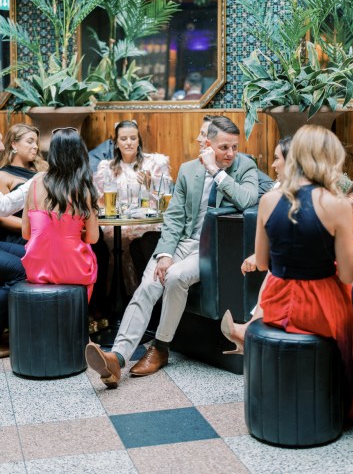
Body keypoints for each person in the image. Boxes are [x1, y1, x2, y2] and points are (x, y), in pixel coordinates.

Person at [86, 116, 259, 387]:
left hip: (215, 248)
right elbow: (175, 218)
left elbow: (248, 199)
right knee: (149, 283)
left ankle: (161, 348)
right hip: (185, 243)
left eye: (234, 147)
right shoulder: (189, 170)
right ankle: (116, 359)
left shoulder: (244, 166)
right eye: (224, 147)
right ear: (208, 144)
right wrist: (165, 253)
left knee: (176, 277)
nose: (230, 153)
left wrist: (217, 171)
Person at [256, 125, 353, 410]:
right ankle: (349, 393)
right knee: (350, 304)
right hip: (320, 306)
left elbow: (262, 263)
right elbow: (347, 274)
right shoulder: (337, 205)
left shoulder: (268, 200)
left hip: (275, 301)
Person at [221, 135, 292, 354]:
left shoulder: (300, 194)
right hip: (284, 252)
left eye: (277, 158)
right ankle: (251, 328)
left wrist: (261, 255)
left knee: (277, 266)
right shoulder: (278, 187)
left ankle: (250, 330)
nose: (272, 164)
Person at [93, 120, 171, 295]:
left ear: (139, 141)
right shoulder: (107, 168)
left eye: (133, 138)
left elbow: (165, 203)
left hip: (147, 222)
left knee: (138, 238)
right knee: (113, 240)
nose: (128, 142)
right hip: (116, 224)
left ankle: (144, 294)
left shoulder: (154, 163)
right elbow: (98, 202)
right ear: (116, 142)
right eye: (123, 138)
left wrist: (151, 185)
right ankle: (116, 299)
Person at [21, 127, 99, 300]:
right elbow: (93, 238)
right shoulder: (83, 188)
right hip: (73, 269)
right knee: (91, 255)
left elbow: (26, 234)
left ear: (53, 152)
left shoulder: (35, 182)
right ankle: (79, 318)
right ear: (80, 153)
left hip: (35, 269)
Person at [0, 124, 47, 245]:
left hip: (50, 228)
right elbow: (2, 217)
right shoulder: (3, 176)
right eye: (30, 142)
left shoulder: (44, 168)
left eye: (36, 143)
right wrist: (37, 227)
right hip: (21, 236)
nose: (35, 147)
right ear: (14, 144)